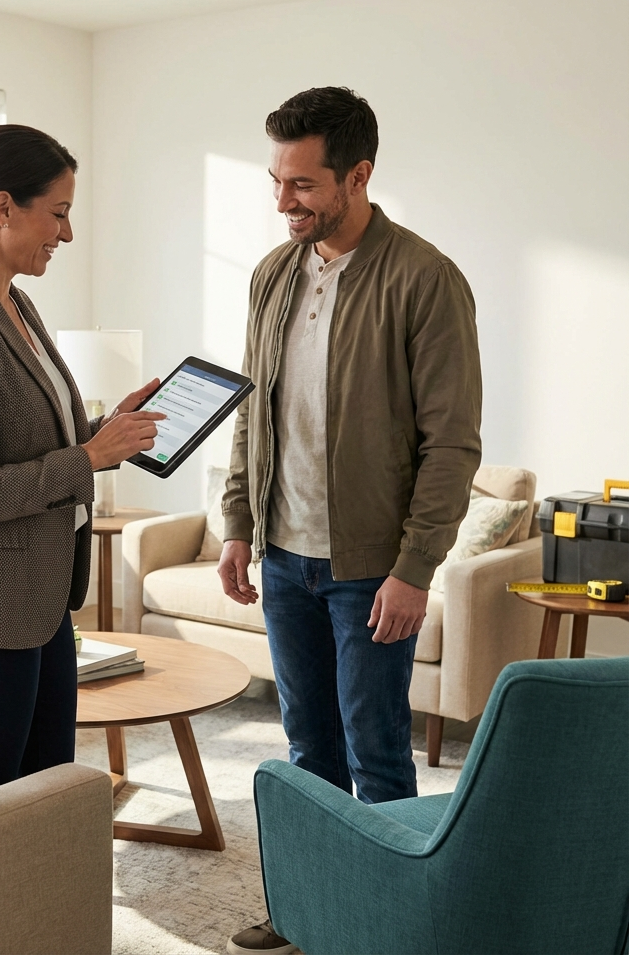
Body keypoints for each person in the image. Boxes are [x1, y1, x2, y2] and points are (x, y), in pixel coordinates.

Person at [222, 88, 481, 955]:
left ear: (358, 176)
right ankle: (308, 912)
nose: (283, 201)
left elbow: (451, 444)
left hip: (370, 568)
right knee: (308, 750)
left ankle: (391, 928)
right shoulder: (273, 274)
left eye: (302, 184)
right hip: (282, 556)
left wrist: (415, 568)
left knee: (377, 752)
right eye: (276, 180)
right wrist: (236, 523)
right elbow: (252, 411)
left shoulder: (425, 279)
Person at [0, 124, 163, 795]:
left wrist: (107, 430)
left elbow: (37, 440)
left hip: (37, 602)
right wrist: (91, 455)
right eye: (60, 213)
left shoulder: (15, 302)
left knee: (48, 792)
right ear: (4, 207)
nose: (66, 234)